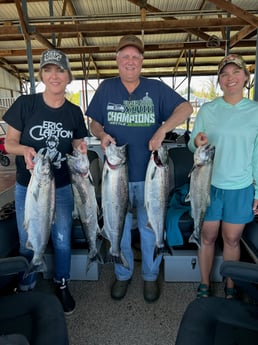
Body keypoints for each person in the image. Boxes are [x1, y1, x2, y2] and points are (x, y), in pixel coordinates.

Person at [86, 34, 193, 302]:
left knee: (149, 227)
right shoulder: (106, 88)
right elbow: (93, 122)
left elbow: (186, 107)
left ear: (142, 61)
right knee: (118, 227)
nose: (130, 61)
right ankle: (122, 274)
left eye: (135, 56)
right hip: (116, 176)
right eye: (125, 56)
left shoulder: (155, 88)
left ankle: (149, 275)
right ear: (117, 60)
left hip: (150, 176)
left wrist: (162, 130)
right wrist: (100, 135)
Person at [3, 49, 88, 315]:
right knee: (27, 236)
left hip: (61, 185)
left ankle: (62, 283)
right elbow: (10, 143)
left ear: (68, 76)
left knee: (62, 239)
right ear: (41, 74)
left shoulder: (74, 112)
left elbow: (76, 142)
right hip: (27, 186)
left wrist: (81, 147)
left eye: (60, 70)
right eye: (49, 70)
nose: (54, 75)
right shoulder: (25, 104)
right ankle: (26, 283)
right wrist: (26, 151)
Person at [188, 54, 258, 299]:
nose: (231, 78)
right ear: (219, 80)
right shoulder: (208, 110)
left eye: (236, 72)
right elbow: (191, 143)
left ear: (246, 77)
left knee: (231, 238)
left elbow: (257, 155)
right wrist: (196, 141)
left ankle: (230, 285)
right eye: (224, 74)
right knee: (207, 236)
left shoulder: (255, 111)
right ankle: (205, 284)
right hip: (209, 186)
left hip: (241, 187)